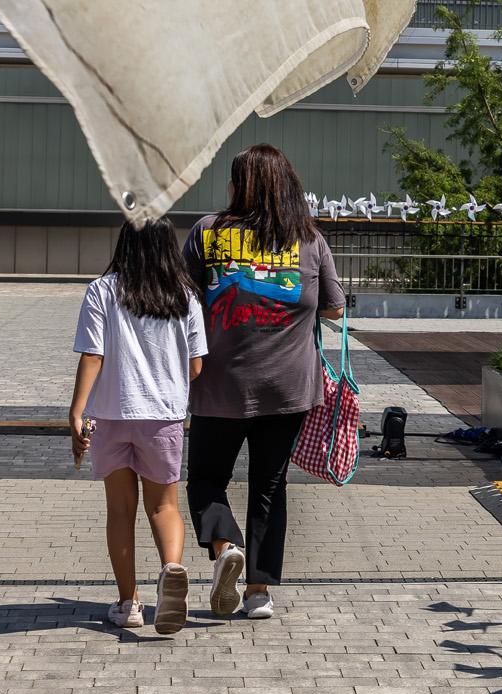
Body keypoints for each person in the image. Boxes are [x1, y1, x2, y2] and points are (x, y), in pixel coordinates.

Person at [185, 143, 344, 620]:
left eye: (233, 179)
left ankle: (224, 545)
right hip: (288, 387)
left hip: (218, 385)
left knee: (207, 478)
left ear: (243, 185)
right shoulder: (309, 239)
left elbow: (185, 299)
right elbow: (334, 307)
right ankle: (258, 592)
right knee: (269, 485)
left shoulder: (207, 232)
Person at [68, 219, 206, 635]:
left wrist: (76, 413)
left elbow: (93, 356)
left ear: (124, 244)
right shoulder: (185, 297)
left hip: (111, 415)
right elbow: (196, 366)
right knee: (164, 507)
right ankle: (172, 572)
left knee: (121, 511)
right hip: (163, 417)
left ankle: (128, 604)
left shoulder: (103, 290)